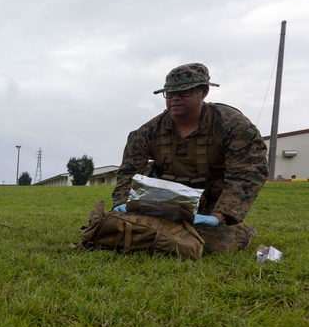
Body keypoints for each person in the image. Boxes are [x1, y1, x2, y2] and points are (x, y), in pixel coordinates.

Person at [111, 63, 268, 252]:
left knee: (206, 245)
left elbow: (248, 173)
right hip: (165, 201)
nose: (175, 99)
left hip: (211, 202)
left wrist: (220, 215)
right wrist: (122, 203)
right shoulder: (148, 132)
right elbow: (129, 171)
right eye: (170, 94)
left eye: (184, 92)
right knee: (123, 232)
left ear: (204, 92)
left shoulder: (233, 125)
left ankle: (238, 232)